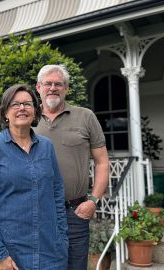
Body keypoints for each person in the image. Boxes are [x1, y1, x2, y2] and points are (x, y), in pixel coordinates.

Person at [0, 84, 68, 270]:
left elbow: (57, 193)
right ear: (5, 113)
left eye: (27, 104)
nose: (22, 108)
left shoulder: (46, 147)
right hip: (8, 256)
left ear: (35, 111)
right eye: (15, 104)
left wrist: (61, 240)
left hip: (48, 254)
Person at [34, 64, 110, 270]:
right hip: (35, 211)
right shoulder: (28, 120)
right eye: (48, 83)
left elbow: (102, 162)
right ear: (38, 87)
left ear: (66, 88)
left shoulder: (85, 116)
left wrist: (93, 200)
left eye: (58, 84)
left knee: (75, 266)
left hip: (74, 211)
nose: (53, 88)